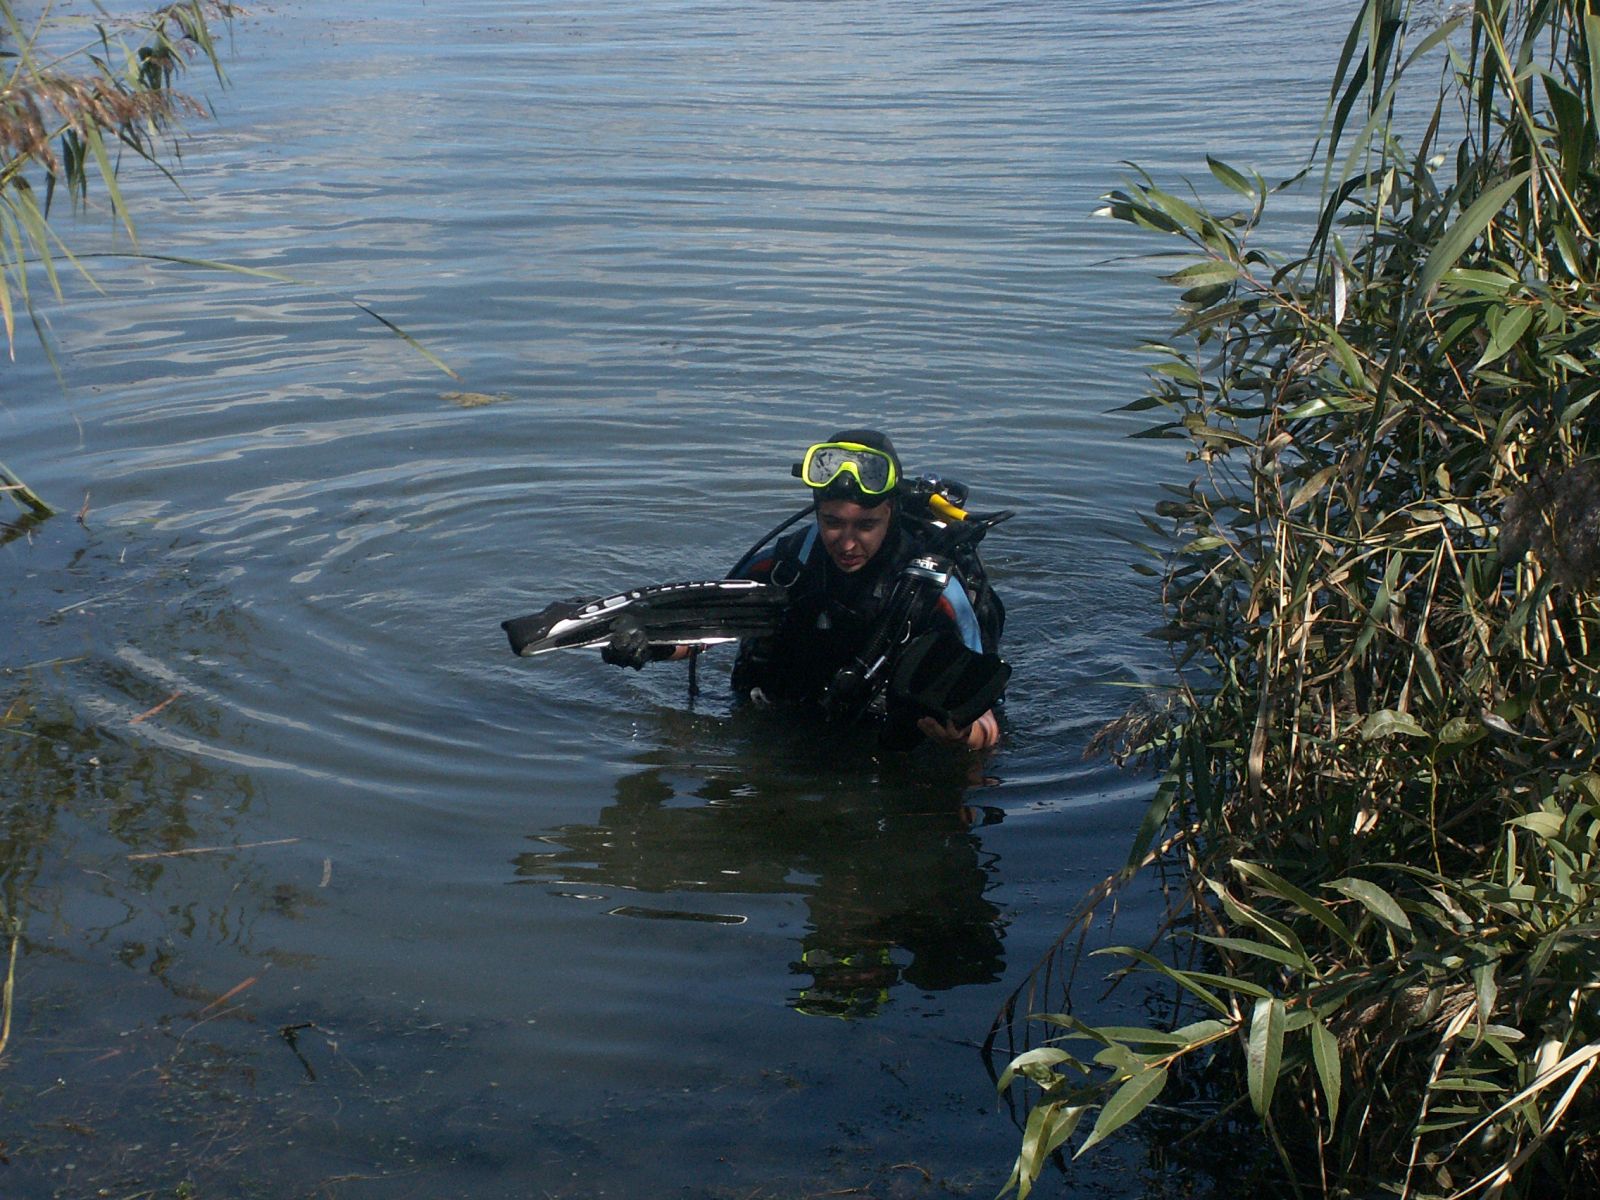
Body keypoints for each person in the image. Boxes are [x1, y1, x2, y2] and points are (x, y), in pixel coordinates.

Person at [603, 430, 1004, 751]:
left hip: (877, 733)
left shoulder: (936, 593)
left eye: (866, 525)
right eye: (832, 522)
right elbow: (705, 633)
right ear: (816, 511)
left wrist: (962, 737)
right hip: (784, 713)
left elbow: (987, 719)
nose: (848, 543)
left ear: (891, 512)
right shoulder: (785, 565)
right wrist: (648, 645)